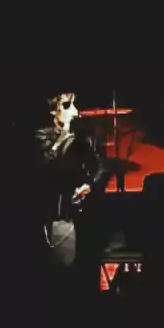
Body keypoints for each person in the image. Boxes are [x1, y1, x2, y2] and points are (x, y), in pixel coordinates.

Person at [35, 91, 109, 299]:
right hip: (58, 218)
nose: (75, 112)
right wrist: (64, 136)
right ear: (53, 110)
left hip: (84, 218)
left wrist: (90, 185)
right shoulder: (41, 137)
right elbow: (47, 165)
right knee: (62, 277)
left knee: (86, 273)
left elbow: (102, 165)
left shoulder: (84, 136)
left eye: (75, 105)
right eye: (67, 106)